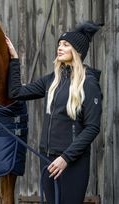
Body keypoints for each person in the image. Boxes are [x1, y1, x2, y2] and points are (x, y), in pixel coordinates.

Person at [6, 21, 103, 204]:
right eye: (59, 44)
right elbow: (16, 93)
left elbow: (92, 128)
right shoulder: (53, 80)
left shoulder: (89, 84)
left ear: (77, 51)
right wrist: (14, 60)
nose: (60, 47)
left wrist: (66, 158)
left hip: (71, 162)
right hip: (47, 160)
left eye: (66, 45)